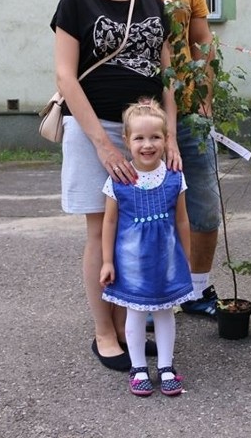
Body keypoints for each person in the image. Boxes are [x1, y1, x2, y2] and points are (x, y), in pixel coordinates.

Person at [50, 0, 181, 371]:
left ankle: (128, 324)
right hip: (95, 132)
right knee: (98, 231)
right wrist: (103, 145)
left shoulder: (152, 4)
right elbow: (66, 76)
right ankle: (104, 332)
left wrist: (171, 137)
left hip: (144, 134)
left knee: (136, 227)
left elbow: (167, 78)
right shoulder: (76, 2)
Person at [83, 0, 221, 318]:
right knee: (131, 211)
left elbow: (201, 41)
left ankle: (195, 289)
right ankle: (137, 296)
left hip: (183, 112)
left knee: (201, 203)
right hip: (125, 120)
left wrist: (205, 97)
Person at [100, 98, 193, 397]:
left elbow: (182, 221)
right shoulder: (118, 180)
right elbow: (110, 223)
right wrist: (106, 262)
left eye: (155, 137)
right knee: (135, 315)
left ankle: (166, 365)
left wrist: (186, 258)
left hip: (166, 263)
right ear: (127, 141)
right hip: (131, 266)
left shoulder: (175, 177)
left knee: (166, 313)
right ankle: (138, 366)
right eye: (139, 138)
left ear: (166, 139)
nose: (147, 144)